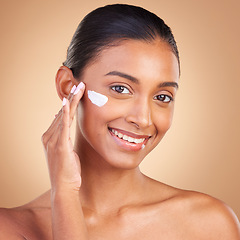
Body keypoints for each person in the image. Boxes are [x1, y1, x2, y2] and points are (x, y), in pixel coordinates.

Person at [0, 4, 239, 240]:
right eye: (120, 89)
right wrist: (64, 193)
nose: (143, 119)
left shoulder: (209, 224)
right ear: (69, 87)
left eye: (162, 97)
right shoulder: (9, 229)